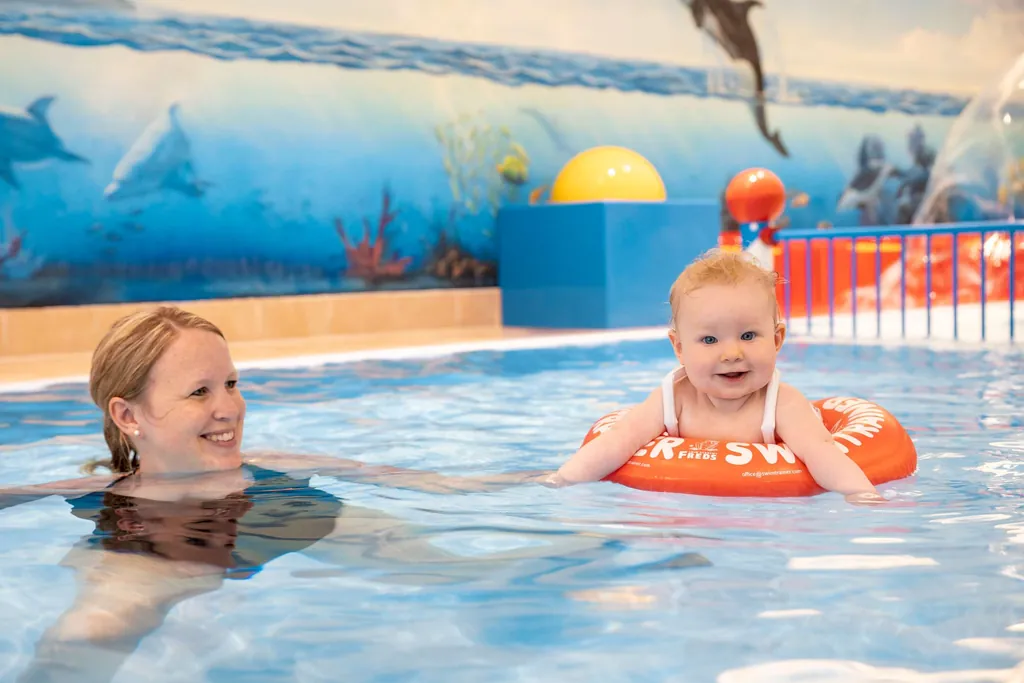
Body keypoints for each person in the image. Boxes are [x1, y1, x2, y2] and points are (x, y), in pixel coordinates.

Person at [0, 305, 555, 682]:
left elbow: (432, 485)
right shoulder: (107, 493)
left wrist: (549, 481)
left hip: (272, 513)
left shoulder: (279, 472)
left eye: (232, 384)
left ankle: (567, 561)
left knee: (446, 566)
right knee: (90, 633)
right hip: (154, 539)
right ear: (128, 415)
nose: (229, 408)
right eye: (199, 392)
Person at [543, 249, 887, 505]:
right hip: (685, 520)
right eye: (709, 340)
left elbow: (822, 453)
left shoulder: (782, 404)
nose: (731, 353)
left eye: (749, 336)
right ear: (679, 348)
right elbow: (617, 441)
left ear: (777, 340)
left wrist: (861, 495)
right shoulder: (673, 396)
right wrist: (562, 480)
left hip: (763, 522)